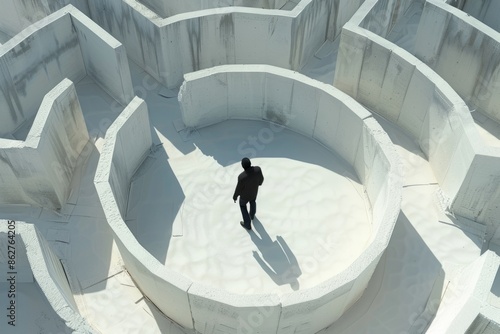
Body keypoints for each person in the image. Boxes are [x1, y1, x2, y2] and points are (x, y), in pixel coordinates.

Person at [233, 157, 264, 230]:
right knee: (252, 201)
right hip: (254, 192)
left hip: (244, 196)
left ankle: (247, 224)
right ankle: (252, 215)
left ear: (243, 166)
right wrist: (258, 184)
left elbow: (238, 189)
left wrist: (235, 197)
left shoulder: (241, 177)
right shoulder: (258, 169)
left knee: (243, 206)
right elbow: (261, 180)